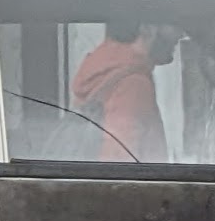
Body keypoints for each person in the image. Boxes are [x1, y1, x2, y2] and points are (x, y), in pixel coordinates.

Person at [68, 20, 171, 164]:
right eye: (173, 23)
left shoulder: (107, 69)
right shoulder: (133, 84)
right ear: (147, 28)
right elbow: (119, 161)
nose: (180, 35)